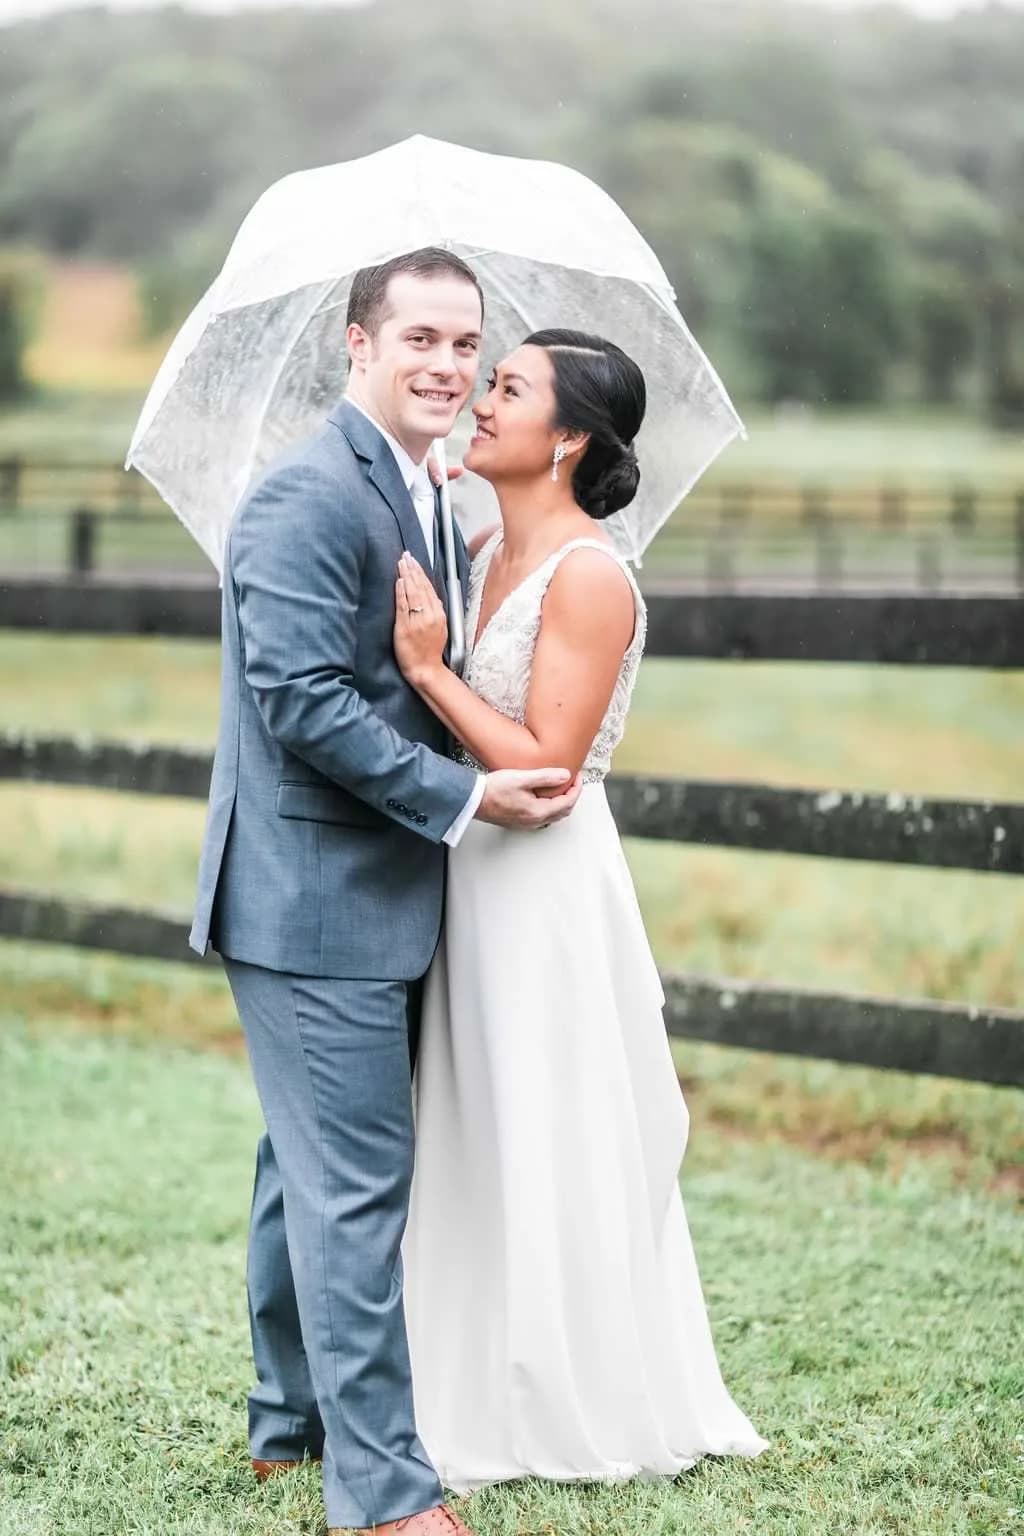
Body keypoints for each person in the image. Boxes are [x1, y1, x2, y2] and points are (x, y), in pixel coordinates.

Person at [188, 250, 581, 1536]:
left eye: (467, 346)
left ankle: (287, 1426)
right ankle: (387, 1497)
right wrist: (463, 798)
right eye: (419, 338)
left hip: (373, 892)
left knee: (299, 1166)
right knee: (356, 1187)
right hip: (313, 898)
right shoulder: (307, 495)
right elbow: (299, 703)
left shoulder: (424, 491)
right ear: (356, 346)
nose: (447, 367)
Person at [394, 330, 768, 1489]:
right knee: (472, 1120)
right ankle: (468, 1372)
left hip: (545, 891)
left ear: (567, 440)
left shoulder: (591, 575)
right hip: (468, 875)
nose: (478, 398)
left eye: (506, 387)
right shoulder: (483, 543)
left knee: (550, 1118)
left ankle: (567, 1390)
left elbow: (549, 770)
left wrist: (428, 670)